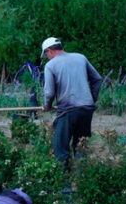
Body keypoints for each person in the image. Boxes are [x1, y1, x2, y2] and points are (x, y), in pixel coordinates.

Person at [40, 37, 102, 165]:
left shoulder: (50, 65)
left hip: (68, 111)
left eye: (46, 54)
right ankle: (82, 179)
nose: (47, 57)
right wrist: (91, 98)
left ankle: (65, 183)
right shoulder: (80, 58)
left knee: (60, 149)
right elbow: (97, 79)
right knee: (81, 146)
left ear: (50, 51)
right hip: (87, 109)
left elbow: (49, 92)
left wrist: (47, 106)